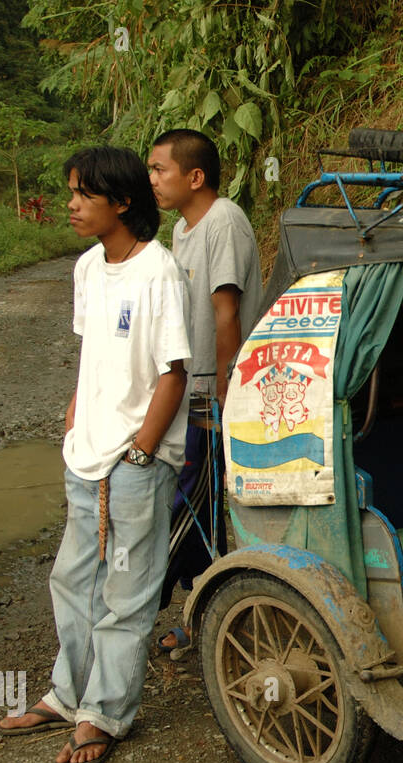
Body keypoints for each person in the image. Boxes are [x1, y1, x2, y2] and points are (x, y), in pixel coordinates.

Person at [0, 146, 192, 763]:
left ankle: (103, 715)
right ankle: (68, 695)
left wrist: (140, 450)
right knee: (71, 581)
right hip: (85, 455)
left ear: (123, 202)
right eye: (71, 192)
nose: (72, 205)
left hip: (136, 461)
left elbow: (173, 373)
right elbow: (91, 357)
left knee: (126, 594)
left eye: (84, 194)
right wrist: (75, 420)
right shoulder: (86, 267)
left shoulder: (160, 271)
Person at [147, 129, 263, 651]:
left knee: (197, 495)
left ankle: (186, 608)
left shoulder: (224, 221)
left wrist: (225, 389)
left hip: (217, 392)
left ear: (195, 176)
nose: (152, 180)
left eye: (159, 170)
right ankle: (203, 609)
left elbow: (226, 313)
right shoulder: (181, 229)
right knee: (200, 499)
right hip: (189, 390)